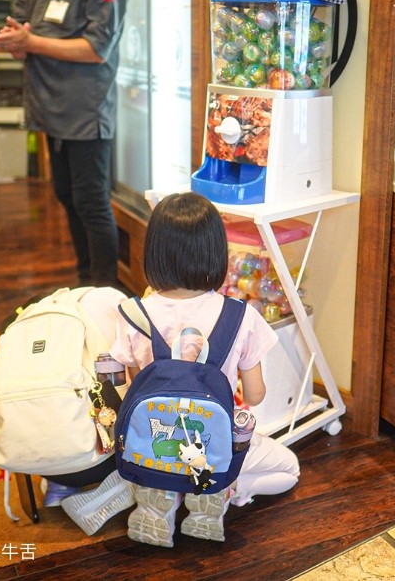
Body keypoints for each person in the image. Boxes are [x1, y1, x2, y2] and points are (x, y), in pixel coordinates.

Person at [66, 191, 300, 546]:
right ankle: (220, 490)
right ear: (216, 253)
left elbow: (132, 389)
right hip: (211, 445)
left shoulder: (133, 314)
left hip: (152, 442)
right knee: (288, 470)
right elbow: (254, 395)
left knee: (162, 460)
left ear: (154, 251)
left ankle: (159, 500)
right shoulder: (241, 317)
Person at [0, 0, 128, 289]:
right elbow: (23, 20)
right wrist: (13, 41)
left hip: (85, 106)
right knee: (64, 195)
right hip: (46, 100)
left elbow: (95, 48)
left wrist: (29, 44)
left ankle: (102, 289)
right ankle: (84, 280)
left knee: (91, 201)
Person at [0, 286, 133, 514]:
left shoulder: (22, 328)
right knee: (114, 375)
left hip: (30, 458)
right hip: (110, 455)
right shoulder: (105, 298)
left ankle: (59, 482)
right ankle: (127, 480)